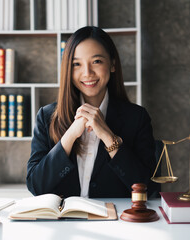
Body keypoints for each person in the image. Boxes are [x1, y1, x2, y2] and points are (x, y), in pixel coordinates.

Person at [27, 26, 156, 198]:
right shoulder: (46, 116)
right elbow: (36, 186)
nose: (87, 73)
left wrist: (109, 137)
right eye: (77, 64)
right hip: (63, 223)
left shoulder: (137, 118)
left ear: (112, 64)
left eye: (96, 61)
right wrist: (70, 135)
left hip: (117, 221)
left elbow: (149, 188)